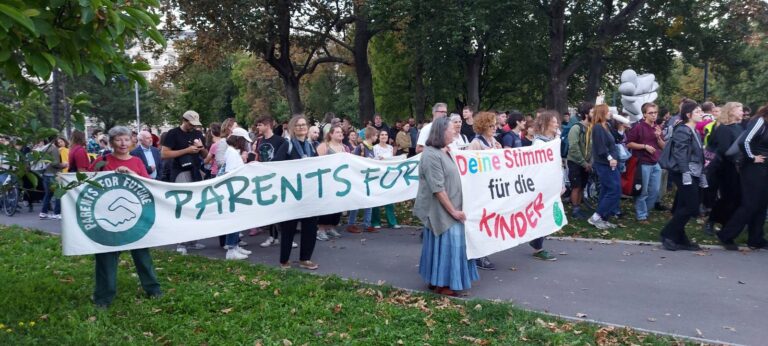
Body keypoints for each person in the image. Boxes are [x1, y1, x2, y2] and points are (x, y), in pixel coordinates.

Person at [88, 126, 161, 308]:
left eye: (127, 139)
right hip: (107, 219)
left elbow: (148, 185)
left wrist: (132, 174)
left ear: (132, 141)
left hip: (135, 218)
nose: (123, 143)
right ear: (111, 142)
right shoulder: (101, 161)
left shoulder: (136, 161)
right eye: (118, 139)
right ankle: (103, 297)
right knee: (106, 257)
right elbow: (87, 184)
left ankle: (154, 290)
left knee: (142, 255)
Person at [415, 117, 479, 297]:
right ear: (441, 132)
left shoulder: (445, 151)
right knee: (449, 246)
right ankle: (442, 283)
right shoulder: (430, 155)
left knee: (446, 246)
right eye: (452, 129)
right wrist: (454, 212)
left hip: (451, 206)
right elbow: (438, 188)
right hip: (442, 211)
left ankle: (438, 280)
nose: (455, 131)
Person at [717, 104, 768, 250]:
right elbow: (744, 141)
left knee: (762, 204)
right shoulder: (760, 121)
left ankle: (755, 238)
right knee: (750, 204)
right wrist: (752, 157)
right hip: (753, 168)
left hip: (763, 168)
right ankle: (726, 235)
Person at [273, 115, 320, 270]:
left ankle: (305, 259)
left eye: (303, 124)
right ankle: (284, 260)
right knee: (289, 228)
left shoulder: (311, 146)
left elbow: (320, 165)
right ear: (292, 128)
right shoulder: (287, 146)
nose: (301, 127)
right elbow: (275, 165)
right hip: (292, 194)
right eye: (298, 125)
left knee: (310, 227)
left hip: (309, 194)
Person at [659, 101, 706, 251]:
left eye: (701, 111)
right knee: (692, 206)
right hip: (683, 172)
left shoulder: (695, 131)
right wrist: (686, 172)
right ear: (688, 115)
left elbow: (698, 154)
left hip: (693, 172)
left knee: (683, 206)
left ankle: (680, 239)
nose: (701, 114)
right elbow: (680, 153)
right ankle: (668, 234)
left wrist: (702, 173)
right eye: (697, 111)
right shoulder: (683, 130)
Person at [161, 110, 209, 254]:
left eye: (195, 124)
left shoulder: (197, 133)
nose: (193, 127)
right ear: (184, 120)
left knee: (195, 206)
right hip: (180, 172)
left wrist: (201, 148)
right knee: (182, 206)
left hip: (195, 172)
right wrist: (187, 150)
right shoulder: (173, 133)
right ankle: (181, 242)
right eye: (190, 123)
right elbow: (164, 154)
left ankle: (193, 240)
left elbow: (206, 156)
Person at [466, 111, 500, 270]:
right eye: (491, 126)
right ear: (483, 126)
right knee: (481, 220)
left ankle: (483, 251)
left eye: (495, 125)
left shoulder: (493, 141)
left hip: (491, 187)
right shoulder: (476, 143)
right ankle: (478, 255)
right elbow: (468, 166)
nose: (494, 128)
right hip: (479, 189)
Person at [254, 116, 295, 248]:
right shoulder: (259, 141)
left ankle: (286, 237)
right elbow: (258, 158)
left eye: (259, 124)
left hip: (278, 180)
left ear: (267, 125)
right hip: (264, 180)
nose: (257, 127)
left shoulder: (280, 141)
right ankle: (272, 236)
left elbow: (283, 159)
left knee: (282, 209)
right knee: (269, 209)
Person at [704, 102, 744, 234]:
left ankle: (725, 223)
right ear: (731, 112)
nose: (742, 113)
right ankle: (711, 221)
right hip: (724, 169)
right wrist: (737, 162)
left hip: (736, 168)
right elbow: (724, 150)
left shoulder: (739, 127)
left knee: (734, 198)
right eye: (740, 110)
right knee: (727, 198)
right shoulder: (724, 129)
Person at [528, 110, 562, 261]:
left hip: (552, 183)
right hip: (543, 185)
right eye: (554, 122)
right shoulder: (539, 143)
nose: (556, 124)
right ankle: (537, 247)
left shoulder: (551, 140)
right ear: (546, 124)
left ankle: (536, 242)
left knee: (549, 215)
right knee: (546, 215)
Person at [625, 103, 665, 224]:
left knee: (655, 191)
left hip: (655, 162)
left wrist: (658, 137)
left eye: (655, 112)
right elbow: (628, 143)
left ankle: (645, 211)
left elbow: (663, 147)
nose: (654, 115)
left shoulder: (657, 127)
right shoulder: (638, 127)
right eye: (651, 113)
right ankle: (641, 216)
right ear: (644, 114)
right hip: (642, 162)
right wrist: (644, 146)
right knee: (643, 191)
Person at [218, 127, 255, 260]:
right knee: (234, 220)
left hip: (236, 190)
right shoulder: (232, 153)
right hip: (234, 192)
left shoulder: (233, 152)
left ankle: (235, 246)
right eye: (244, 141)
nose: (246, 144)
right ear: (239, 140)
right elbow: (230, 173)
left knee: (237, 220)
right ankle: (231, 249)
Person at [588, 104, 621, 230]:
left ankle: (604, 218)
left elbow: (616, 139)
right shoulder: (597, 128)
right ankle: (596, 216)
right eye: (607, 111)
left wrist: (622, 128)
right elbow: (600, 147)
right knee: (613, 190)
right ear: (602, 113)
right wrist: (610, 158)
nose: (610, 113)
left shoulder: (606, 126)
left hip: (610, 164)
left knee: (608, 190)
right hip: (604, 164)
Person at [315, 125, 348, 241]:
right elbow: (317, 162)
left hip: (339, 181)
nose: (340, 134)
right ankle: (321, 229)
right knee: (327, 206)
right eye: (337, 132)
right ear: (331, 134)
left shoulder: (343, 147)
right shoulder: (324, 146)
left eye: (341, 132)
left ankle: (331, 227)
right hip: (326, 180)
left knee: (337, 205)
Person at [347, 126, 377, 233]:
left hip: (368, 178)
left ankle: (367, 224)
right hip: (360, 178)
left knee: (369, 201)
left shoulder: (372, 148)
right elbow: (354, 161)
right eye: (376, 135)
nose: (376, 137)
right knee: (357, 201)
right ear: (371, 135)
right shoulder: (361, 147)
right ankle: (351, 224)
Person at [565, 103, 592, 220]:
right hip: (575, 162)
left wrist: (589, 162)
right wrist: (583, 162)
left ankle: (579, 207)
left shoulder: (591, 128)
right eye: (592, 112)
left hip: (586, 163)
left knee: (582, 186)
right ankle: (575, 210)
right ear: (586, 114)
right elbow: (573, 147)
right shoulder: (576, 128)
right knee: (576, 186)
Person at [371, 130, 400, 229]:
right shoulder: (374, 148)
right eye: (382, 135)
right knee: (376, 198)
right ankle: (375, 222)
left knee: (389, 199)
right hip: (378, 175)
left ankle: (392, 222)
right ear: (379, 137)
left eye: (386, 134)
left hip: (388, 176)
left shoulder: (391, 148)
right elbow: (371, 161)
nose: (384, 136)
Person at [39, 137, 68, 220]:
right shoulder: (54, 149)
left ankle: (43, 212)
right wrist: (63, 164)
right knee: (58, 194)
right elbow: (55, 163)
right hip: (53, 174)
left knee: (47, 194)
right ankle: (57, 213)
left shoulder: (44, 148)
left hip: (45, 174)